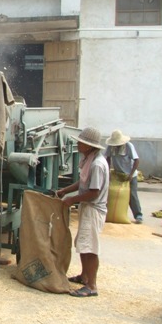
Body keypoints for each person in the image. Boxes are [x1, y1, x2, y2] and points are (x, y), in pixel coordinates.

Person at [56, 126, 109, 298]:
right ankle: (84, 276)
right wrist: (65, 190)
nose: (78, 144)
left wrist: (72, 200)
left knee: (90, 248)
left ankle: (91, 286)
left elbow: (94, 192)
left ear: (89, 146)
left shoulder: (97, 165)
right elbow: (83, 182)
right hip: (87, 208)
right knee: (83, 244)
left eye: (81, 142)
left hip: (94, 209)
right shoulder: (89, 160)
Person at [104, 129, 143, 224]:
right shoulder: (111, 147)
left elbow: (137, 160)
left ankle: (138, 215)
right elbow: (108, 158)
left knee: (132, 195)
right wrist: (107, 172)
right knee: (113, 194)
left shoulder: (129, 146)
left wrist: (131, 174)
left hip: (130, 175)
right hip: (118, 174)